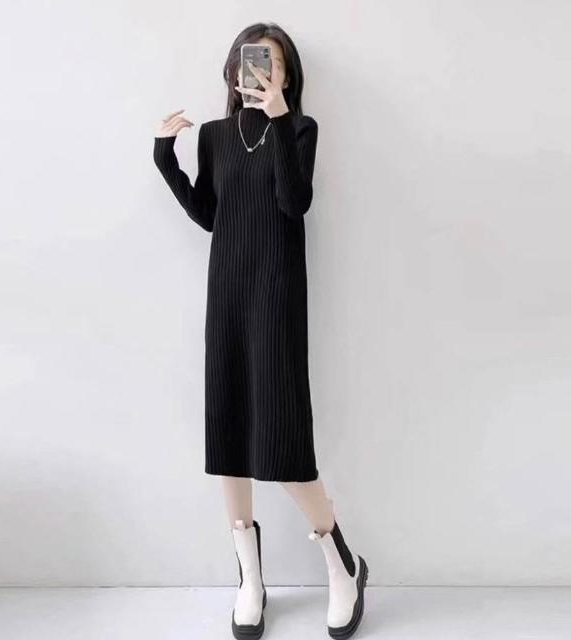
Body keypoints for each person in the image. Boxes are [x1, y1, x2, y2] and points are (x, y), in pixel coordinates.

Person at [153, 22, 368, 640]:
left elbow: (294, 201)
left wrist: (278, 119)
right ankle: (249, 578)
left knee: (283, 433)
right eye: (253, 61)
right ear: (234, 69)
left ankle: (342, 563)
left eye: (272, 63)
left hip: (277, 296)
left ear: (287, 75)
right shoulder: (216, 137)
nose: (261, 71)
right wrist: (166, 159)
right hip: (227, 292)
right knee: (228, 427)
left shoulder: (299, 129)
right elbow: (209, 214)